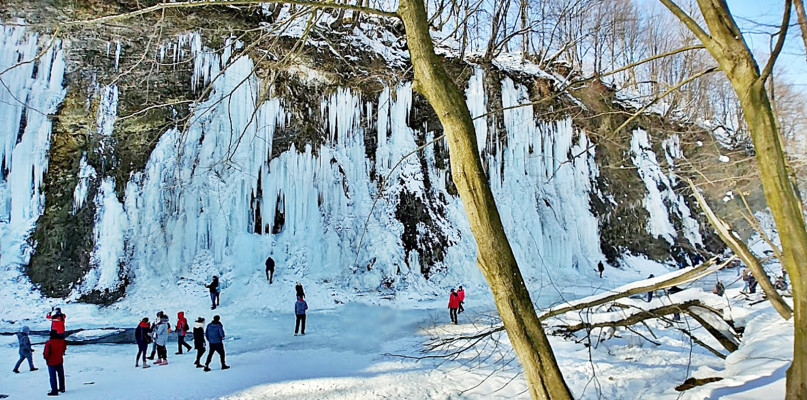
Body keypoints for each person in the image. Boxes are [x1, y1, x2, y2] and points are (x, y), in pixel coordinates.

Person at [43, 329, 66, 396]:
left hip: (51, 362)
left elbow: (46, 354)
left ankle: (54, 391)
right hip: (59, 360)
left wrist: (46, 358)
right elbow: (64, 349)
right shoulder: (62, 341)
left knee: (53, 377)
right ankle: (62, 388)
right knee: (61, 375)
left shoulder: (49, 343)